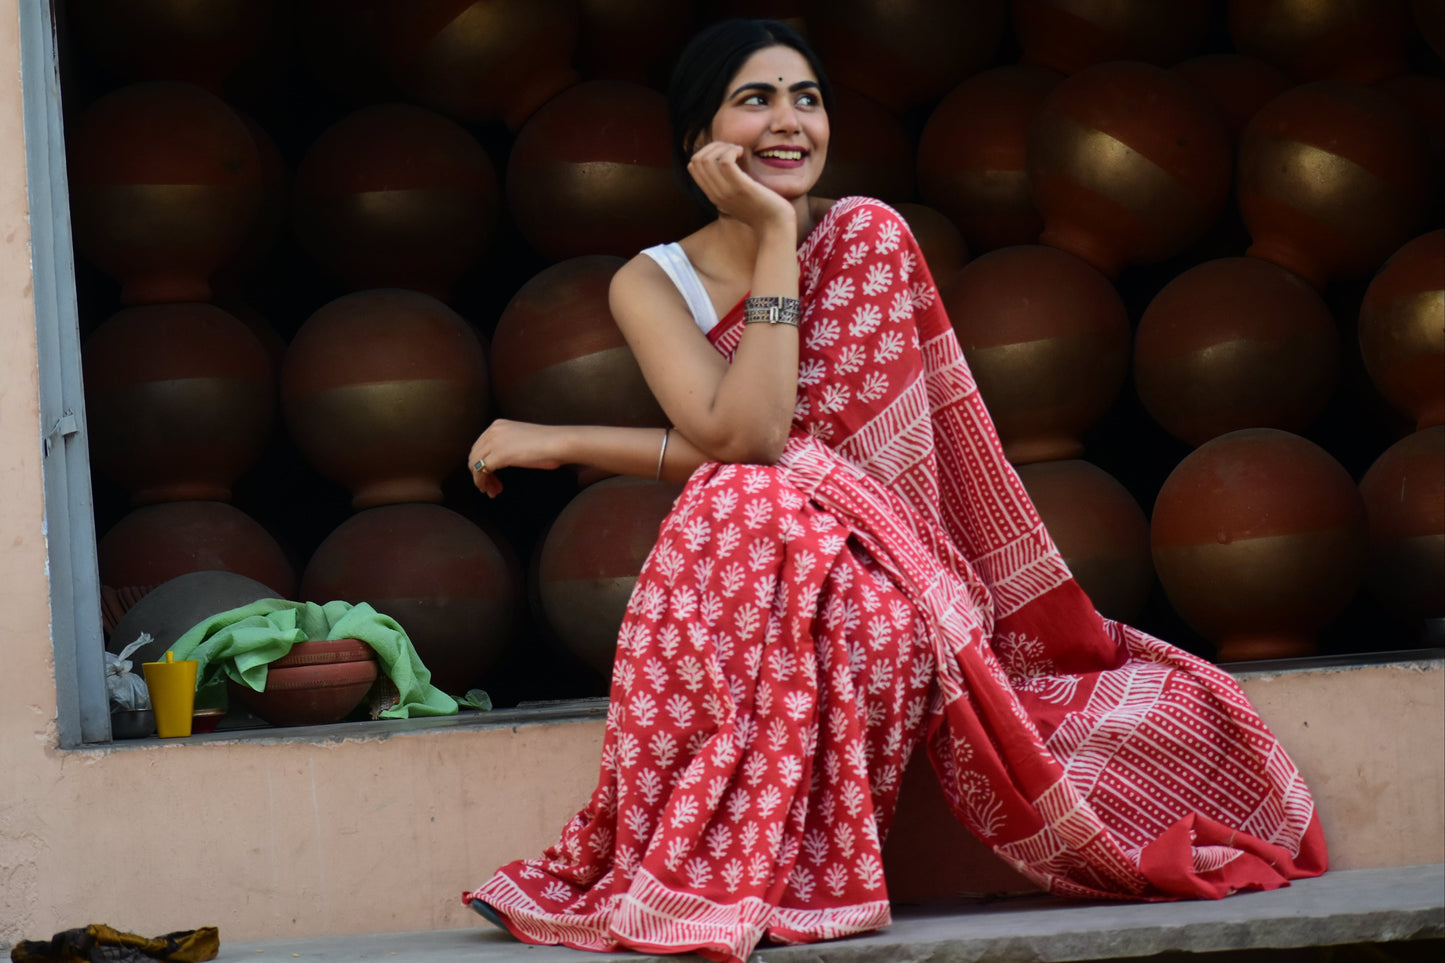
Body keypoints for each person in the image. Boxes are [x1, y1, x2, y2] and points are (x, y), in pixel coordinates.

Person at [461, 18, 1326, 963]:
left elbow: (770, 442)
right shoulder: (649, 280)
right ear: (696, 141)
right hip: (755, 544)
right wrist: (564, 435)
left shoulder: (865, 233)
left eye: (807, 98)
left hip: (882, 551)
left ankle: (769, 869)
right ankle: (699, 866)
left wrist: (774, 238)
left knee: (767, 522)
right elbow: (741, 441)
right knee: (738, 505)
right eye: (755, 99)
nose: (789, 122)